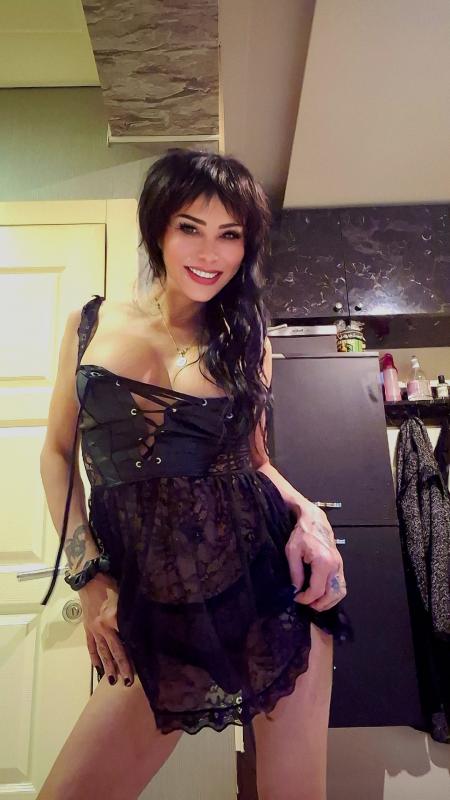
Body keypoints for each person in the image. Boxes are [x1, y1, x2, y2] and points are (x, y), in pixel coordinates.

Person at [37, 149, 350, 800]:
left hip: (268, 592)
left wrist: (310, 514)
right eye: (190, 227)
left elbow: (255, 462)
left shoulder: (248, 340)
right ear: (158, 227)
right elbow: (57, 454)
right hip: (153, 604)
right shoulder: (89, 325)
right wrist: (89, 577)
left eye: (230, 235)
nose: (211, 253)